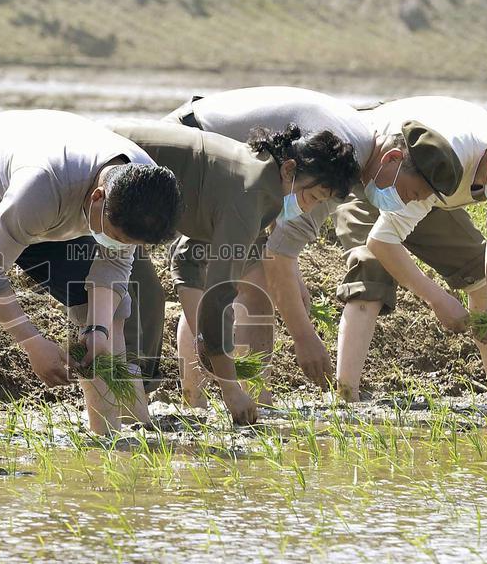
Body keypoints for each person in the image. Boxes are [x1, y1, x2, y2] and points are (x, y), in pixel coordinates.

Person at [165, 86, 451, 391]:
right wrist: (305, 340)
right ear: (393, 159)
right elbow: (278, 257)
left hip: (213, 153)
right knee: (247, 284)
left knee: (225, 277)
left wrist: (290, 270)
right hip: (195, 150)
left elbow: (279, 224)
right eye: (410, 193)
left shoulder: (358, 142)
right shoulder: (341, 161)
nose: (405, 203)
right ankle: (235, 403)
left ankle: (210, 401)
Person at [0, 110, 181, 435]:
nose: (116, 245)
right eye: (115, 236)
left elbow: (113, 264)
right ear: (98, 198)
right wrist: (32, 343)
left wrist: (97, 329)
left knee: (107, 315)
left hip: (45, 217)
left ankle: (114, 439)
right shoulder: (44, 185)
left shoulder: (142, 185)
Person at [111, 119, 358, 424]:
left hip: (126, 192)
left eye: (319, 202)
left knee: (145, 299)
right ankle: (118, 419)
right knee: (141, 297)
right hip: (104, 177)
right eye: (311, 196)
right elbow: (219, 293)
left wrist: (205, 336)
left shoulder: (263, 172)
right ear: (290, 170)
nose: (308, 209)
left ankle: (129, 413)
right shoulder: (251, 193)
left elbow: (190, 260)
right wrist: (231, 390)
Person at [331, 96, 487, 401]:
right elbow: (382, 241)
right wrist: (437, 299)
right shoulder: (446, 159)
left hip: (431, 193)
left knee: (478, 272)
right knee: (371, 270)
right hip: (382, 175)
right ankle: (345, 398)